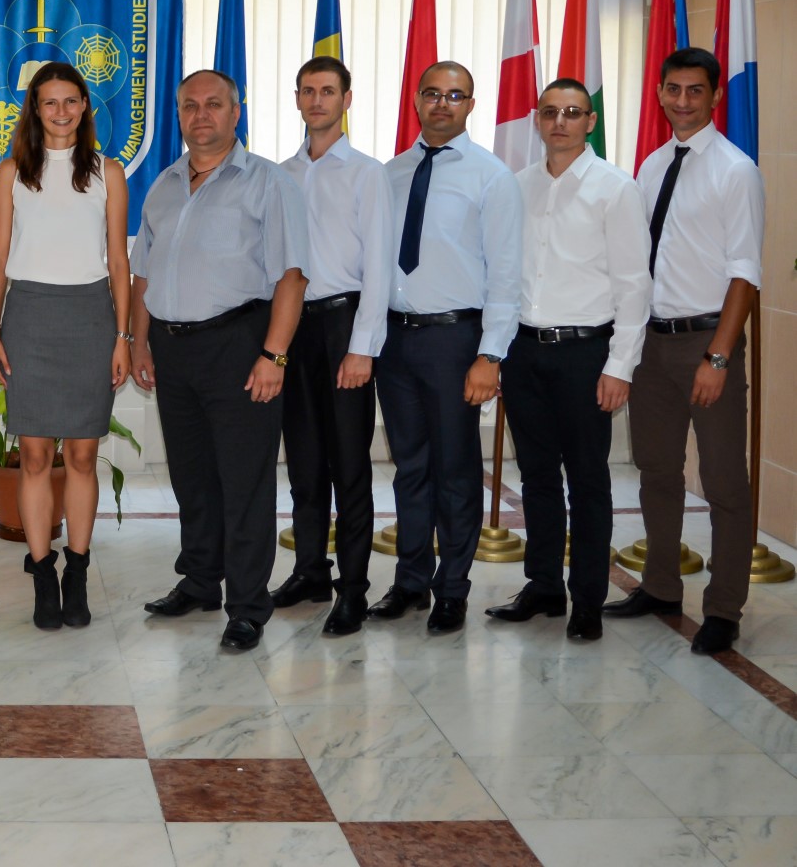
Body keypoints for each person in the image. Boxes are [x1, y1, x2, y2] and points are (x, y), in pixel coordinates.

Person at [131, 69, 308, 652]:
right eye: (189, 105)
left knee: (244, 480)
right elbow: (142, 274)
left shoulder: (269, 183)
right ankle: (201, 580)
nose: (200, 115)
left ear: (236, 112)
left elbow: (291, 276)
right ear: (178, 114)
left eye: (213, 104)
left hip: (239, 343)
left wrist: (274, 355)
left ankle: (248, 606)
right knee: (192, 475)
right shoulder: (163, 184)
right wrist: (138, 343)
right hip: (172, 347)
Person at [604, 48, 765, 656]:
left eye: (695, 90)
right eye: (673, 89)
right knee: (656, 472)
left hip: (706, 341)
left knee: (723, 481)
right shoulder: (651, 166)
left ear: (715, 96)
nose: (683, 101)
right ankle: (661, 587)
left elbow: (745, 273)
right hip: (652, 342)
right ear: (660, 93)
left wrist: (718, 358)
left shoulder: (735, 170)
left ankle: (724, 608)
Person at [485, 80, 649, 642]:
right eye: (551, 112)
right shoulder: (517, 186)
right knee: (536, 477)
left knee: (587, 480)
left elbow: (634, 285)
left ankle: (587, 598)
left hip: (585, 353)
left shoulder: (615, 189)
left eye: (573, 112)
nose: (560, 121)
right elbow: (502, 275)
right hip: (524, 351)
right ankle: (544, 587)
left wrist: (620, 366)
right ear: (537, 119)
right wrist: (497, 352)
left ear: (590, 121)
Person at [370, 61, 522, 635]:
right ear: (416, 100)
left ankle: (452, 589)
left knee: (456, 471)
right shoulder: (390, 174)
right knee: (409, 467)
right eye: (432, 93)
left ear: (470, 105)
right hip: (396, 339)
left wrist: (491, 354)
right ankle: (410, 581)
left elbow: (506, 274)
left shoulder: (492, 177)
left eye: (455, 96)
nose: (442, 104)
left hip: (456, 340)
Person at [0, 62, 130, 630]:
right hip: (29, 317)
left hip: (91, 318)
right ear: (35, 109)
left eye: (72, 101)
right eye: (50, 102)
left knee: (84, 457)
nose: (62, 111)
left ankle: (78, 573)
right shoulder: (12, 172)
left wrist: (123, 336)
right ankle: (43, 574)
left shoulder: (108, 172)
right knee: (36, 457)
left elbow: (118, 259)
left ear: (85, 105)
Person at [273, 56, 393, 638]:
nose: (316, 100)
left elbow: (380, 268)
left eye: (327, 91)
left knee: (349, 465)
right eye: (307, 91)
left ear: (347, 99)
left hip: (345, 324)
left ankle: (353, 589)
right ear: (297, 99)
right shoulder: (281, 175)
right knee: (303, 461)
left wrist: (362, 347)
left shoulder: (368, 174)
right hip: (293, 328)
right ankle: (309, 572)